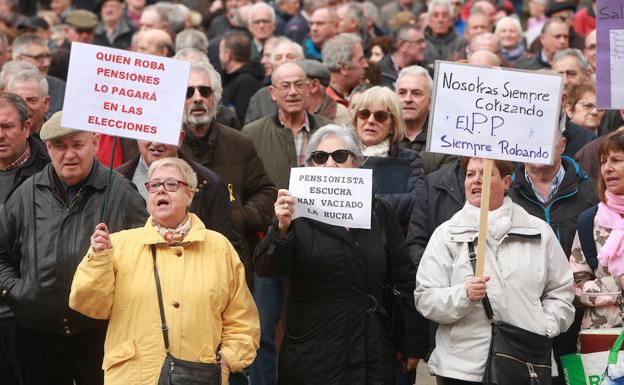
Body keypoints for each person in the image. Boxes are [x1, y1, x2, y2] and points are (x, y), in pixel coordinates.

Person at [254, 124, 426, 385]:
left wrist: (411, 341)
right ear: (310, 166)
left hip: (370, 351)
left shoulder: (378, 211)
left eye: (340, 156)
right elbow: (267, 268)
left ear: (357, 163)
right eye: (320, 158)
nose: (330, 164)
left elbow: (403, 276)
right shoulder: (294, 215)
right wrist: (281, 229)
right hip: (313, 354)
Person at [70, 157, 260, 385]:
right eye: (154, 186)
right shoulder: (116, 246)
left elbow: (242, 321)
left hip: (198, 376)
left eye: (171, 184)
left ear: (190, 195)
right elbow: (89, 305)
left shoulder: (219, 248)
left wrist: (227, 360)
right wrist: (98, 259)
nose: (161, 191)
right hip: (133, 377)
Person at [0, 111, 148, 385]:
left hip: (101, 333)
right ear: (48, 148)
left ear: (95, 142)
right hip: (38, 334)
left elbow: (146, 260)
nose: (69, 155)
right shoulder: (26, 193)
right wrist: (18, 292)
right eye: (60, 146)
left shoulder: (122, 193)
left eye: (77, 145)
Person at [415, 156, 576, 384]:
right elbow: (425, 298)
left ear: (507, 182)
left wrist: (544, 325)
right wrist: (463, 295)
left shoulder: (539, 232)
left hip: (525, 362)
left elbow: (562, 292)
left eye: (486, 173)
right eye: (470, 174)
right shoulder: (446, 234)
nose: (476, 180)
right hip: (462, 370)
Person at [0, 93, 49, 385]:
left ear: (27, 128)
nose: (0, 135)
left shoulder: (49, 171)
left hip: (28, 314)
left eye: (6, 126)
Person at [570, 130, 624, 331]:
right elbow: (575, 288)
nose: (607, 168)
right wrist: (618, 284)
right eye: (603, 162)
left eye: (616, 160)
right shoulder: (589, 222)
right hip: (601, 345)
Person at [351, 85, 424, 227]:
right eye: (364, 114)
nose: (371, 121)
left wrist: (364, 203)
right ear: (356, 119)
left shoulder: (410, 160)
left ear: (393, 125)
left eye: (380, 116)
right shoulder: (339, 155)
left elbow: (416, 203)